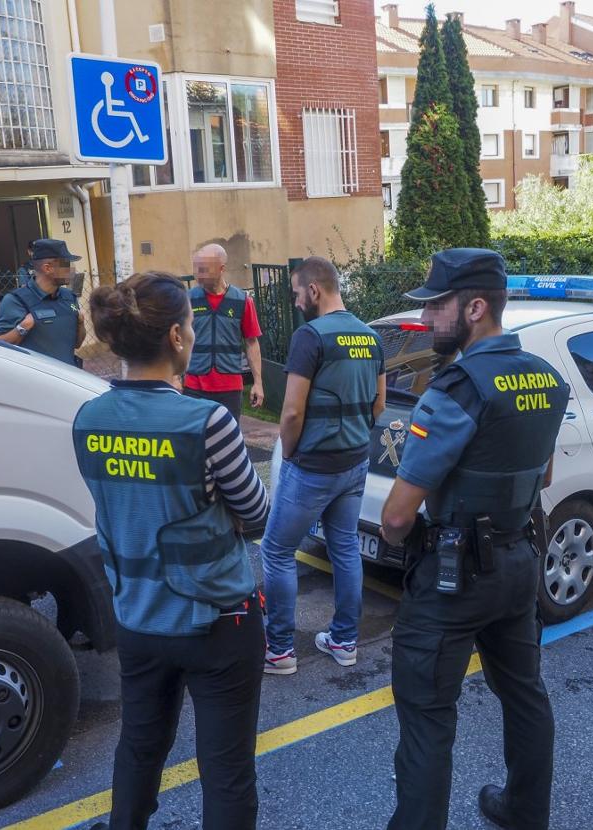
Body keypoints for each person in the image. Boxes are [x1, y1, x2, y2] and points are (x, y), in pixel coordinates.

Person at [378, 249, 569, 830]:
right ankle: (525, 812)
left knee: (427, 716)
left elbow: (397, 515)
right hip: (519, 562)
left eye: (436, 306)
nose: (426, 318)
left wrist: (399, 537)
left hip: (454, 576)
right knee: (525, 694)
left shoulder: (455, 389)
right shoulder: (547, 377)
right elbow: (544, 477)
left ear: (475, 308)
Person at [73, 272, 270, 830]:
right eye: (189, 325)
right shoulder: (207, 421)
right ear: (178, 337)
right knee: (226, 770)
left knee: (139, 748)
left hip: (138, 617)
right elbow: (257, 515)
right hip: (218, 621)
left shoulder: (88, 419)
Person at [259, 256, 386, 675]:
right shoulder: (372, 337)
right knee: (345, 547)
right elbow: (379, 405)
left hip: (312, 466)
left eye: (297, 293)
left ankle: (279, 650)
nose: (297, 302)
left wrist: (289, 454)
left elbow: (292, 411)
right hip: (355, 462)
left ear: (314, 290)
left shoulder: (310, 336)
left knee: (277, 551)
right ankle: (344, 641)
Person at [184, 243, 264, 421]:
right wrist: (175, 377)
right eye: (197, 268)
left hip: (229, 389)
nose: (198, 275)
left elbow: (252, 343)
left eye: (204, 269)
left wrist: (258, 383)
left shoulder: (242, 301)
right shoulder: (188, 300)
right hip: (194, 386)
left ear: (221, 269)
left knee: (228, 435)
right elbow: (178, 340)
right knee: (194, 436)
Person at [0, 238, 86, 366]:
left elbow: (77, 344)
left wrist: (80, 324)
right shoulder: (16, 301)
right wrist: (22, 328)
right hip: (36, 377)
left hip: (67, 376)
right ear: (47, 268)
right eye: (66, 264)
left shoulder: (69, 297)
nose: (71, 270)